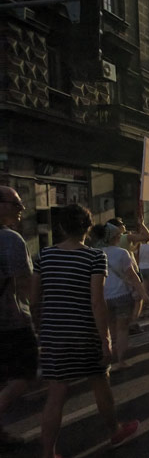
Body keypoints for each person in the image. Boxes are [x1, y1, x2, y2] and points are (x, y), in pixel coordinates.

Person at [32, 205, 139, 457]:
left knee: (56, 393)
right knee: (100, 383)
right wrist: (105, 339)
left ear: (60, 227)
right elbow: (96, 302)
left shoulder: (43, 256)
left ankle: (49, 452)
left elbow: (35, 298)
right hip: (85, 333)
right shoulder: (94, 257)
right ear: (88, 228)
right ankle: (114, 431)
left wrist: (41, 329)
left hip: (54, 334)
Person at [0, 186, 36, 451]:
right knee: (23, 375)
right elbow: (25, 282)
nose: (21, 209)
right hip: (11, 320)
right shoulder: (10, 239)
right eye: (15, 204)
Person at [92, 223, 148, 370]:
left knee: (110, 329)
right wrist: (143, 293)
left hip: (104, 297)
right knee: (122, 329)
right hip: (122, 295)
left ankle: (109, 357)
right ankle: (121, 360)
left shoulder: (94, 253)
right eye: (117, 236)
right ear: (114, 237)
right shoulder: (122, 253)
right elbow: (132, 275)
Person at [108, 217, 149, 334]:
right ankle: (132, 322)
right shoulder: (126, 237)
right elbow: (147, 236)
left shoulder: (106, 243)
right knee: (138, 298)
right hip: (131, 271)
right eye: (122, 224)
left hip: (116, 275)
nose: (124, 225)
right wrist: (141, 224)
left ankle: (121, 326)